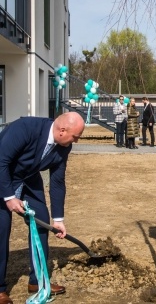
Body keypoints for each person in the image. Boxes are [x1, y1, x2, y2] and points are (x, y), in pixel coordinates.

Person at [0, 112, 85, 304]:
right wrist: (9, 196)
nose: (76, 141)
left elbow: (57, 181)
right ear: (62, 130)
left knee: (42, 224)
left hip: (27, 179)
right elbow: (1, 160)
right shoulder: (25, 129)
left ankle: (38, 281)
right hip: (2, 176)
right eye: (76, 136)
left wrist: (59, 220)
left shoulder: (64, 145)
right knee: (1, 230)